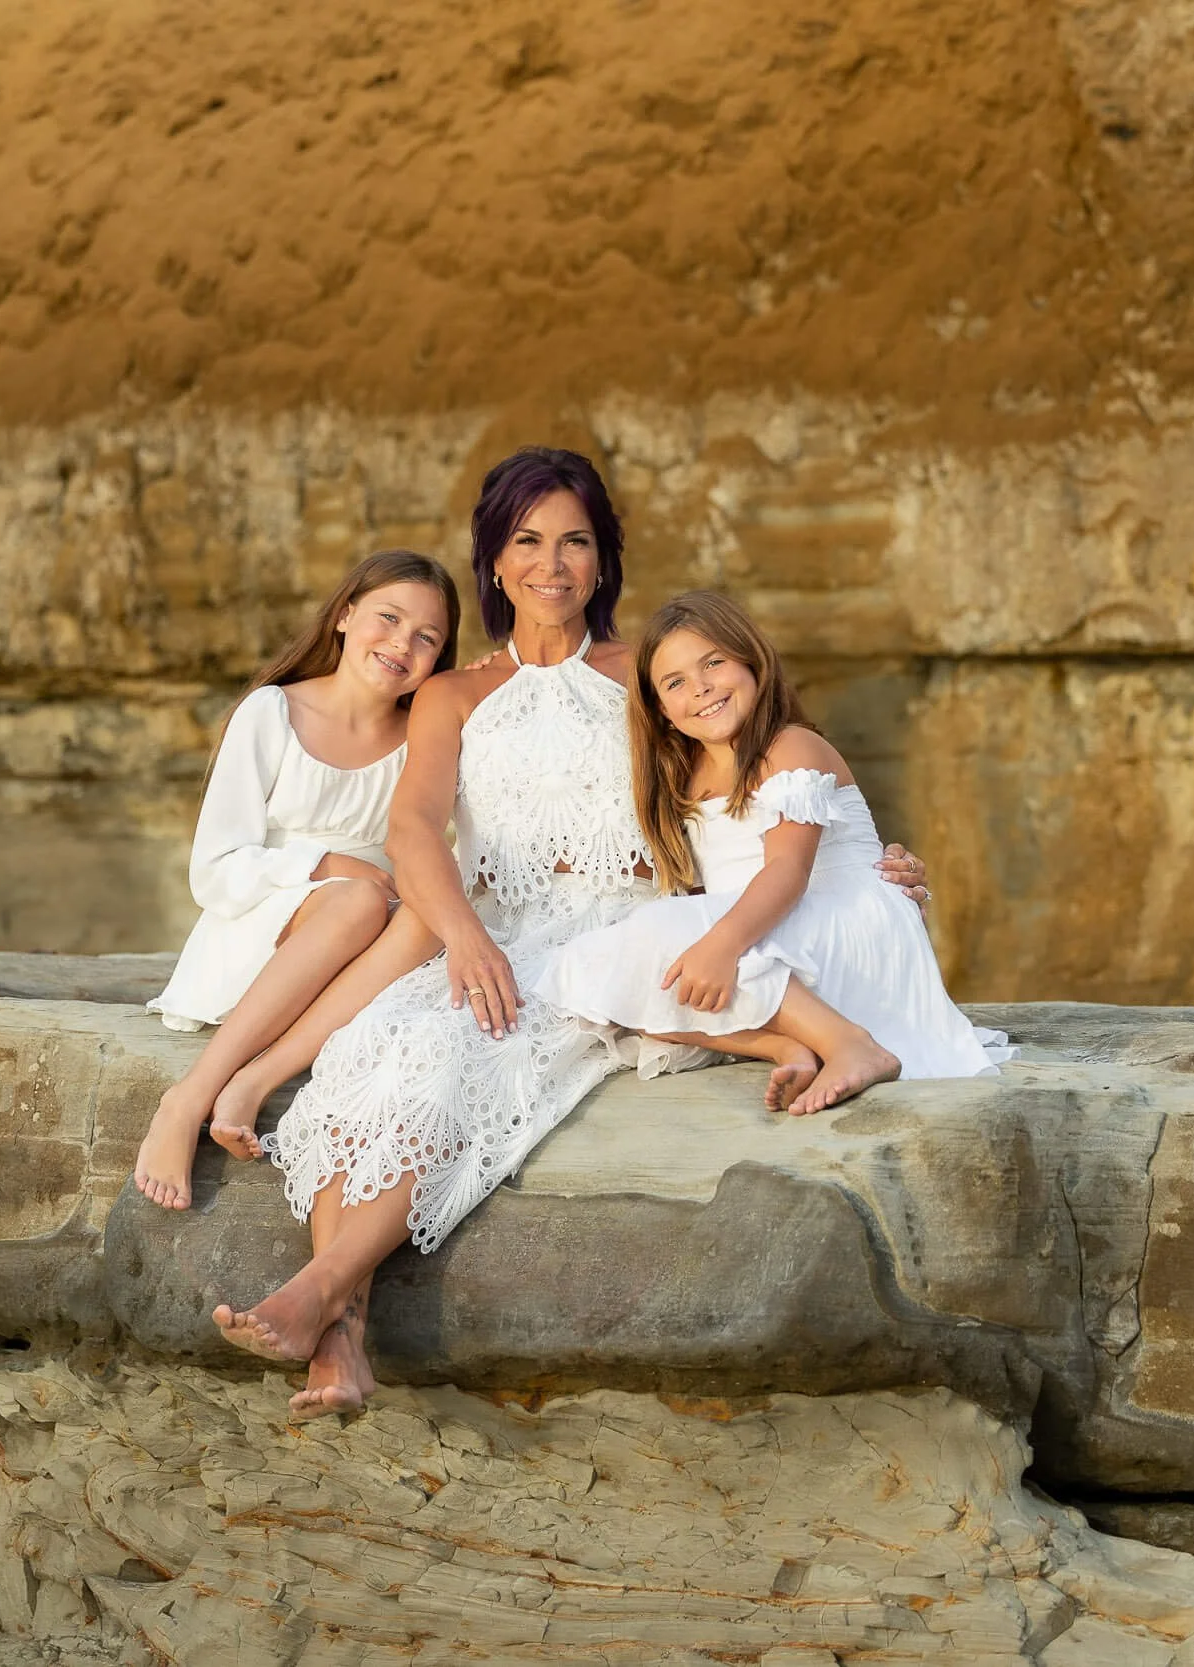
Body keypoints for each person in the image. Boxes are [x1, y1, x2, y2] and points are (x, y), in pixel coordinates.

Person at [203, 447, 932, 1419]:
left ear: (603, 561)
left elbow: (760, 769)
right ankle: (340, 1342)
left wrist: (861, 857)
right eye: (528, 540)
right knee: (376, 1050)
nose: (552, 562)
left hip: (614, 923)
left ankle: (319, 1302)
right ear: (494, 562)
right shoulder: (452, 693)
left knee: (462, 1064)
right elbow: (413, 829)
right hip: (490, 928)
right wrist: (461, 936)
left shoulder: (648, 675)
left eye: (576, 541)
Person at [538, 590, 1013, 1114]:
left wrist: (719, 945)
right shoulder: (684, 779)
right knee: (590, 976)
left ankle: (851, 1045)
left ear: (751, 660)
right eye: (675, 683)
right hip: (768, 929)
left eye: (713, 663)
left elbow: (788, 870)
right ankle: (787, 1044)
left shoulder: (790, 747)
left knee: (673, 933)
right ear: (661, 711)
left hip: (839, 917)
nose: (701, 688)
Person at [130, 549, 460, 1211]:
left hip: (353, 961)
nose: (402, 643)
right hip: (260, 937)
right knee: (359, 898)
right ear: (344, 615)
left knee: (427, 914)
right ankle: (188, 1097)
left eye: (427, 637)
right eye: (387, 618)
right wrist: (328, 865)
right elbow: (214, 872)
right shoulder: (272, 713)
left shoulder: (423, 738)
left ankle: (255, 1078)